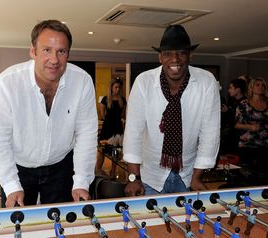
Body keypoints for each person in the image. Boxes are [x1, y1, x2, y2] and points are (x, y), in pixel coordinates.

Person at [0, 19, 98, 207]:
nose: (54, 60)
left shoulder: (82, 81)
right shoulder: (6, 83)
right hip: (18, 167)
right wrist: (11, 185)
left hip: (61, 167)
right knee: (18, 226)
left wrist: (81, 182)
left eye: (61, 51)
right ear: (33, 52)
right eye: (47, 50)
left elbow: (86, 134)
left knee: (62, 225)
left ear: (68, 54)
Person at [123, 24, 220, 197]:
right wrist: (134, 178)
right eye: (168, 53)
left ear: (190, 56)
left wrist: (197, 177)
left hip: (189, 175)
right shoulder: (143, 82)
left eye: (181, 53)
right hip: (150, 176)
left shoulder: (206, 82)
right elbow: (133, 132)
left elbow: (210, 133)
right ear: (160, 57)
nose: (174, 59)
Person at [235, 77, 268, 174]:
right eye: (257, 85)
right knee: (248, 175)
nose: (260, 87)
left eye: (263, 85)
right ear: (252, 87)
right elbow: (236, 124)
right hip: (248, 145)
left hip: (265, 145)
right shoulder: (244, 104)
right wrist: (250, 127)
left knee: (264, 174)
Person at [96, 78, 127, 177]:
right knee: (102, 150)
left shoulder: (122, 100)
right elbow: (102, 115)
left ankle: (113, 171)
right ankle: (97, 170)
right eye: (116, 87)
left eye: (119, 87)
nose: (118, 89)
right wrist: (109, 121)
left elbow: (123, 115)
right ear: (111, 88)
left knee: (116, 150)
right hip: (107, 127)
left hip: (117, 127)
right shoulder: (105, 99)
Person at [220, 78, 247, 154]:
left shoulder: (245, 103)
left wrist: (228, 112)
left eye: (231, 88)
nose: (229, 90)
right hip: (229, 137)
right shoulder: (231, 100)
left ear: (237, 89)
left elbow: (239, 122)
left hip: (239, 139)